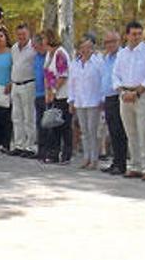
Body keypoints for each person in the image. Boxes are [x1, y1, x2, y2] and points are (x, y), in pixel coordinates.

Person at [112, 21, 145, 181]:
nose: (136, 37)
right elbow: (116, 75)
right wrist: (122, 91)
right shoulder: (122, 54)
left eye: (139, 34)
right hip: (125, 94)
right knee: (131, 132)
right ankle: (135, 165)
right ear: (127, 35)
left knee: (144, 131)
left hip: (143, 94)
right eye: (133, 34)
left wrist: (136, 92)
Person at [68, 34, 105, 169]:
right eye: (83, 47)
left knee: (93, 130)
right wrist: (71, 100)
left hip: (94, 101)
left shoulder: (98, 62)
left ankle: (94, 159)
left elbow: (102, 81)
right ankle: (86, 157)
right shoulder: (75, 64)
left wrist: (102, 99)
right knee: (84, 131)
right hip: (80, 101)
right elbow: (72, 83)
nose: (85, 50)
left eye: (89, 47)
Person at [42, 29, 72, 164]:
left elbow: (63, 75)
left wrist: (53, 91)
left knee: (64, 125)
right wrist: (47, 91)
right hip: (52, 94)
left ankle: (66, 154)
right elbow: (47, 74)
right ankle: (53, 153)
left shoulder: (60, 53)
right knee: (53, 125)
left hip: (63, 95)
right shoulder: (49, 54)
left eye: (44, 39)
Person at [100, 31, 127, 175]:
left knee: (119, 131)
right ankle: (115, 161)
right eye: (107, 42)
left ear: (119, 41)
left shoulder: (123, 56)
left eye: (112, 42)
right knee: (112, 131)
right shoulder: (106, 58)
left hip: (119, 96)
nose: (109, 45)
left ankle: (121, 163)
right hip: (108, 97)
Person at [9, 23, 38, 158]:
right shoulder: (14, 48)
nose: (21, 37)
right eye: (19, 34)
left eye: (24, 34)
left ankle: (30, 146)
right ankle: (18, 144)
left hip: (28, 84)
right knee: (16, 117)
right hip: (15, 84)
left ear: (29, 35)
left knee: (29, 116)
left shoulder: (33, 48)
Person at [32, 33, 48, 159]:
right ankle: (41, 149)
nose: (34, 47)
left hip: (47, 94)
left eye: (35, 45)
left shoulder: (49, 56)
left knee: (47, 123)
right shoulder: (36, 57)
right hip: (37, 93)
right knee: (39, 123)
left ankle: (49, 150)